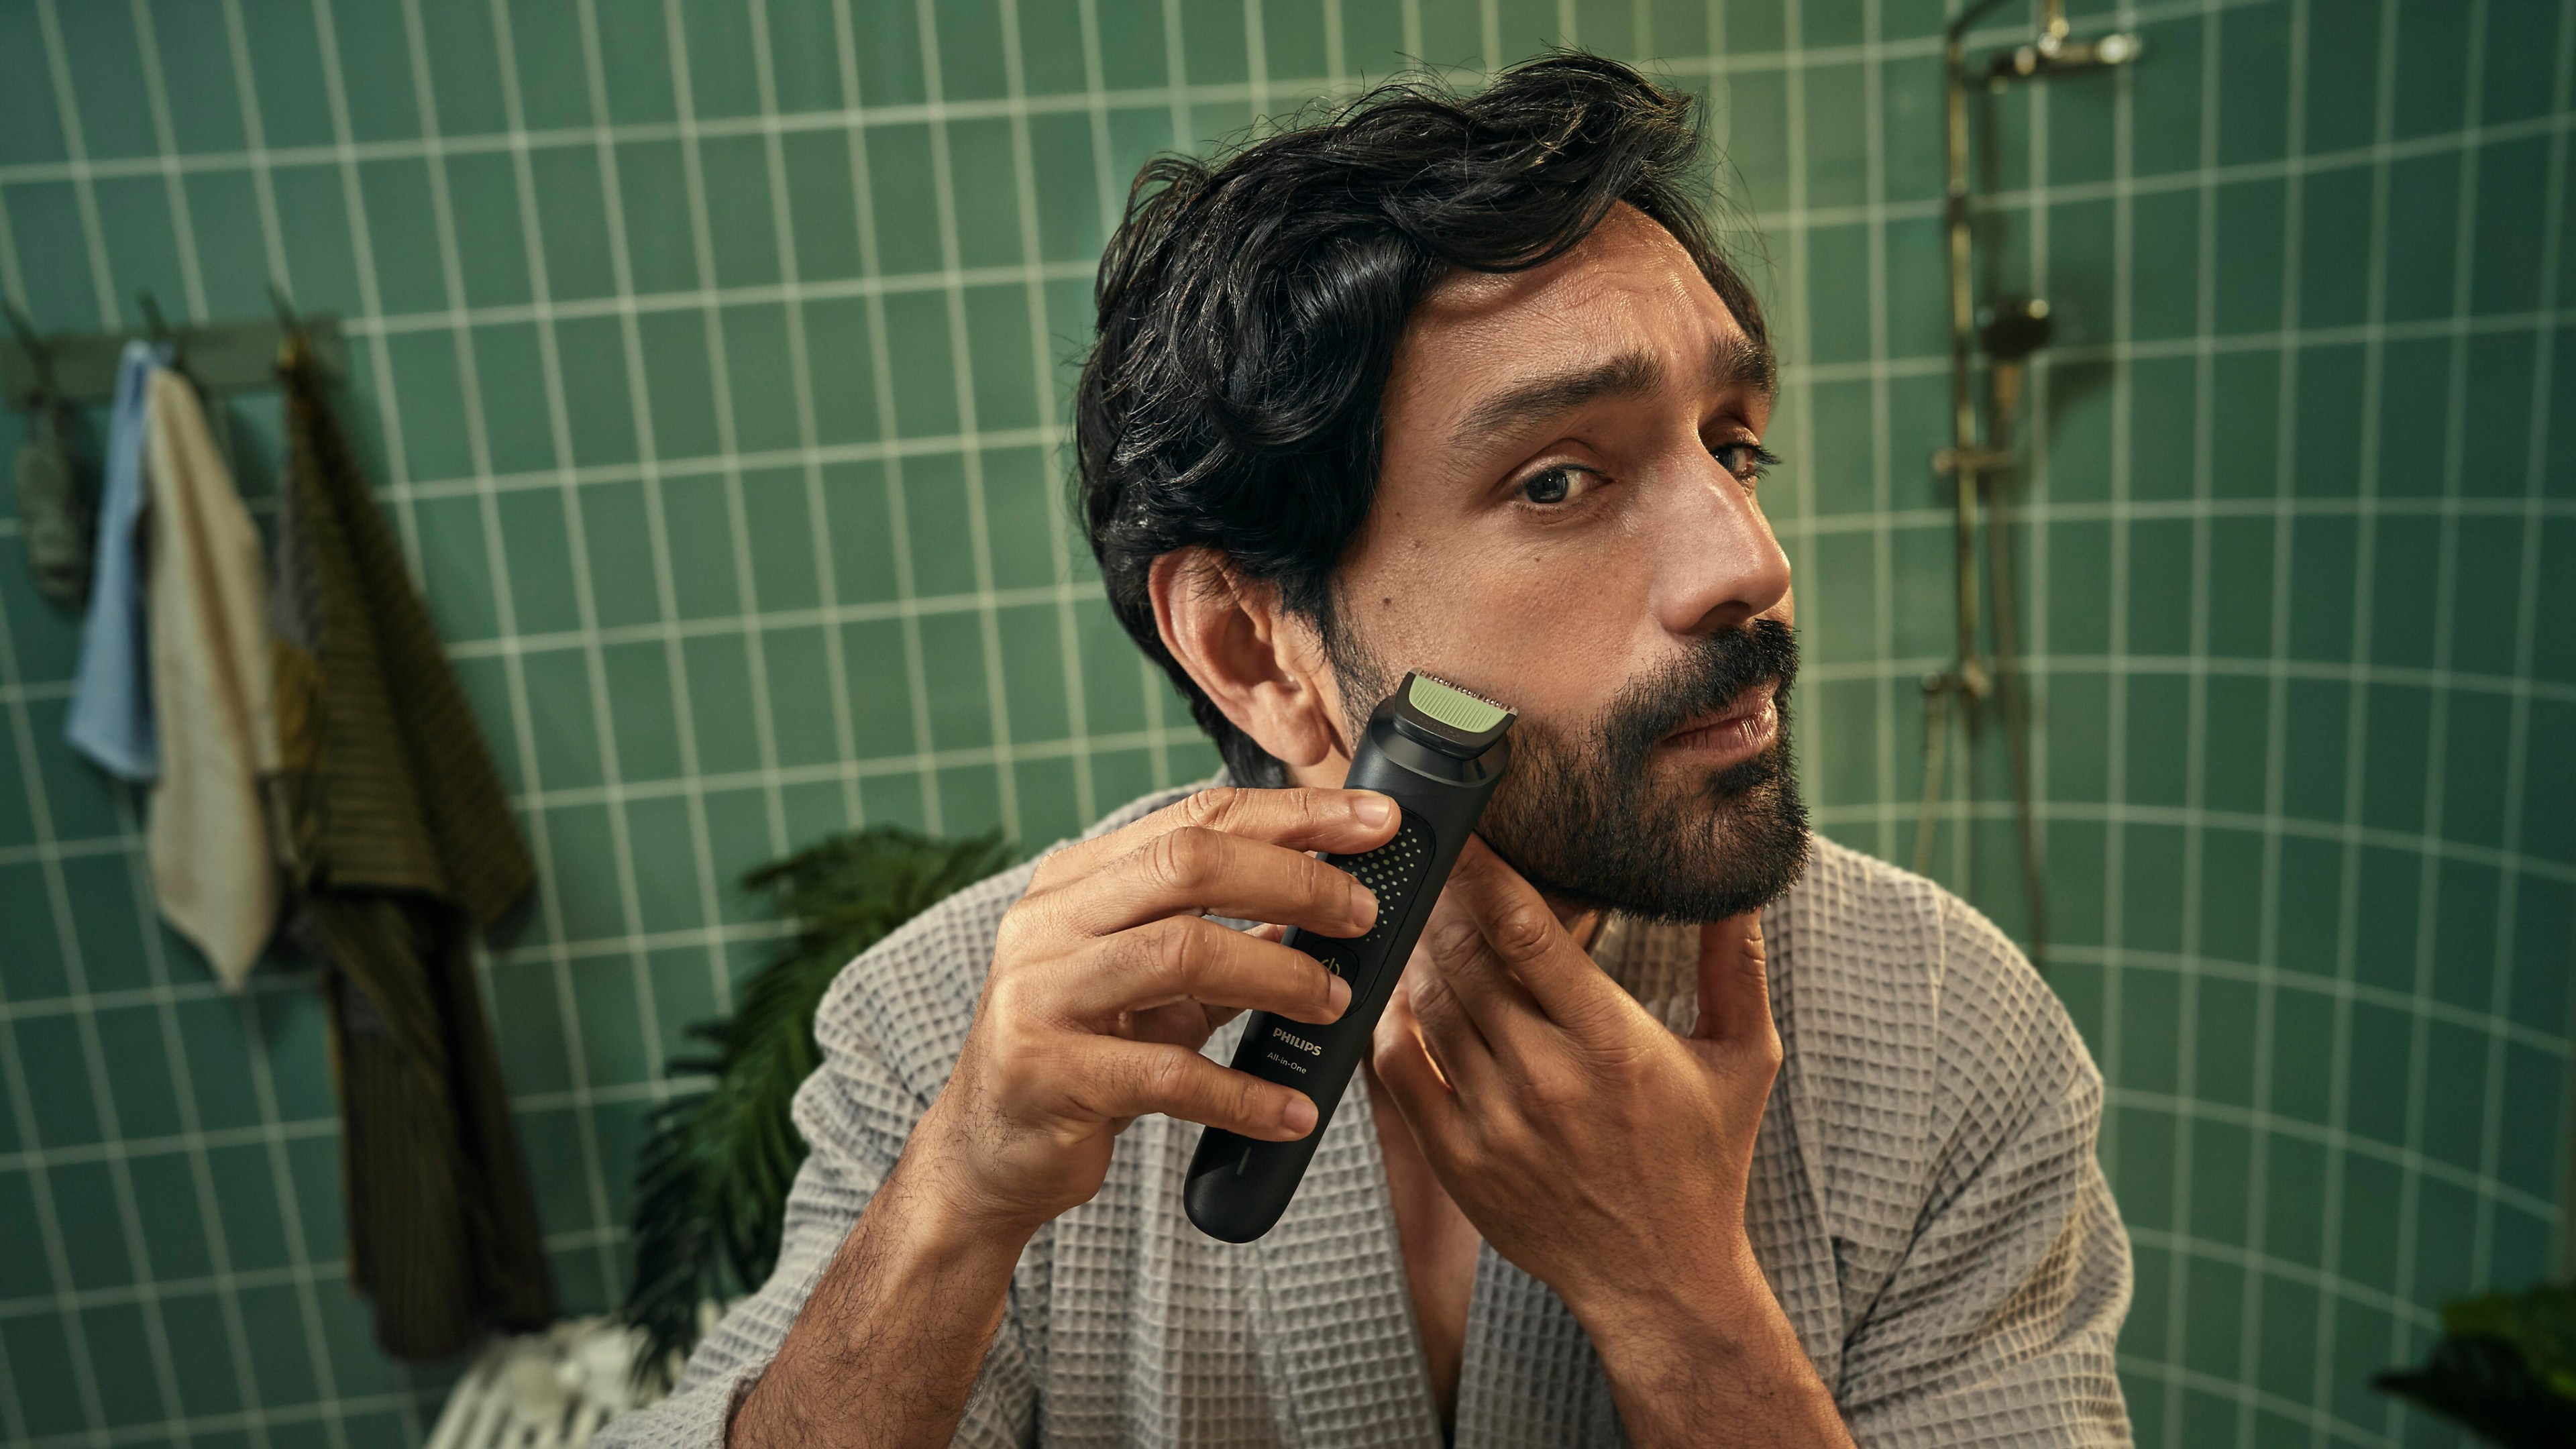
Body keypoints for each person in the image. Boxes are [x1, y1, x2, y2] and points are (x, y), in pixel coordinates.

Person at [597, 50, 2130, 1449]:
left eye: (1733, 444)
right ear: (1255, 647)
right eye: (1559, 481)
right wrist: (952, 1208)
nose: (1749, 562)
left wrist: (1685, 1307)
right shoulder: (957, 1042)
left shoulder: (1945, 1039)